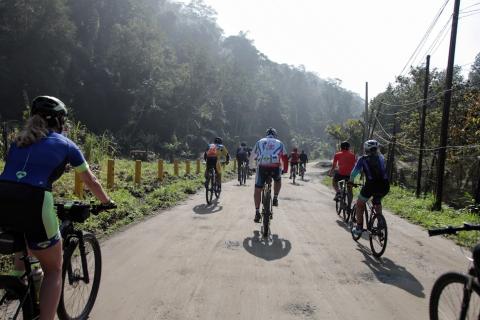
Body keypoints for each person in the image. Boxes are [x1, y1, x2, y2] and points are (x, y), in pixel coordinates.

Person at [0, 96, 114, 320]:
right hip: (34, 200)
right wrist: (106, 201)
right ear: (60, 121)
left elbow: (18, 177)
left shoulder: (18, 140)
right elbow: (91, 181)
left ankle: (17, 280)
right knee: (53, 269)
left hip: (3, 196)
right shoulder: (66, 144)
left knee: (23, 239)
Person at [349, 140, 390, 236]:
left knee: (359, 204)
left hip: (371, 185)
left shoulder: (362, 159)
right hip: (385, 185)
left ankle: (359, 228)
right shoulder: (381, 157)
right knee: (377, 200)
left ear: (366, 149)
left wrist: (351, 181)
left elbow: (354, 172)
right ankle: (380, 221)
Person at [252, 128, 288, 223]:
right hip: (275, 167)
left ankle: (257, 212)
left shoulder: (260, 141)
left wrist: (251, 166)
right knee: (278, 180)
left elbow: (252, 155)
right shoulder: (279, 142)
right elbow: (285, 157)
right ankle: (275, 197)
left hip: (262, 167)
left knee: (258, 189)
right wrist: (285, 169)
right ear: (275, 135)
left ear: (266, 134)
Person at [329, 141, 356, 211]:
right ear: (349, 148)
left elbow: (334, 166)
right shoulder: (353, 155)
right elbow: (354, 165)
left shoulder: (337, 154)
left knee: (334, 182)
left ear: (341, 147)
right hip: (350, 175)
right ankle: (349, 206)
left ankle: (338, 192)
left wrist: (330, 172)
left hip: (340, 174)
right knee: (350, 190)